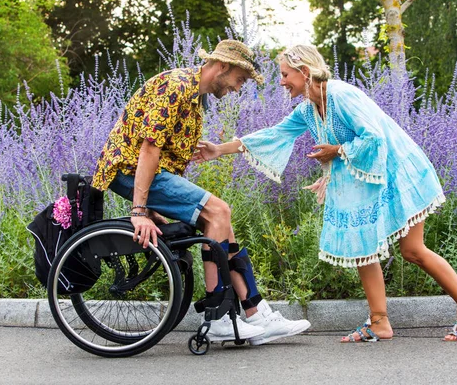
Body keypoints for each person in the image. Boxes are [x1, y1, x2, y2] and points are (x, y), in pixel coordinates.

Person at [192, 44, 457, 342]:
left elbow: (373, 135)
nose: (281, 82)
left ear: (304, 72)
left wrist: (337, 151)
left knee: (412, 250)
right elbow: (275, 134)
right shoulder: (308, 108)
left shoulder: (341, 94)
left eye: (285, 75)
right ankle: (379, 322)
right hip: (366, 180)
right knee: (363, 250)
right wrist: (220, 150)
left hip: (396, 171)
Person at [92, 39, 311, 345]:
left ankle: (255, 311)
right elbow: (149, 148)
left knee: (221, 221)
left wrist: (160, 204)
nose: (237, 88)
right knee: (218, 211)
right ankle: (217, 317)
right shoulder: (177, 86)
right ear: (221, 67)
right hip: (130, 169)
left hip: (148, 173)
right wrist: (141, 211)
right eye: (239, 80)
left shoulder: (194, 97)